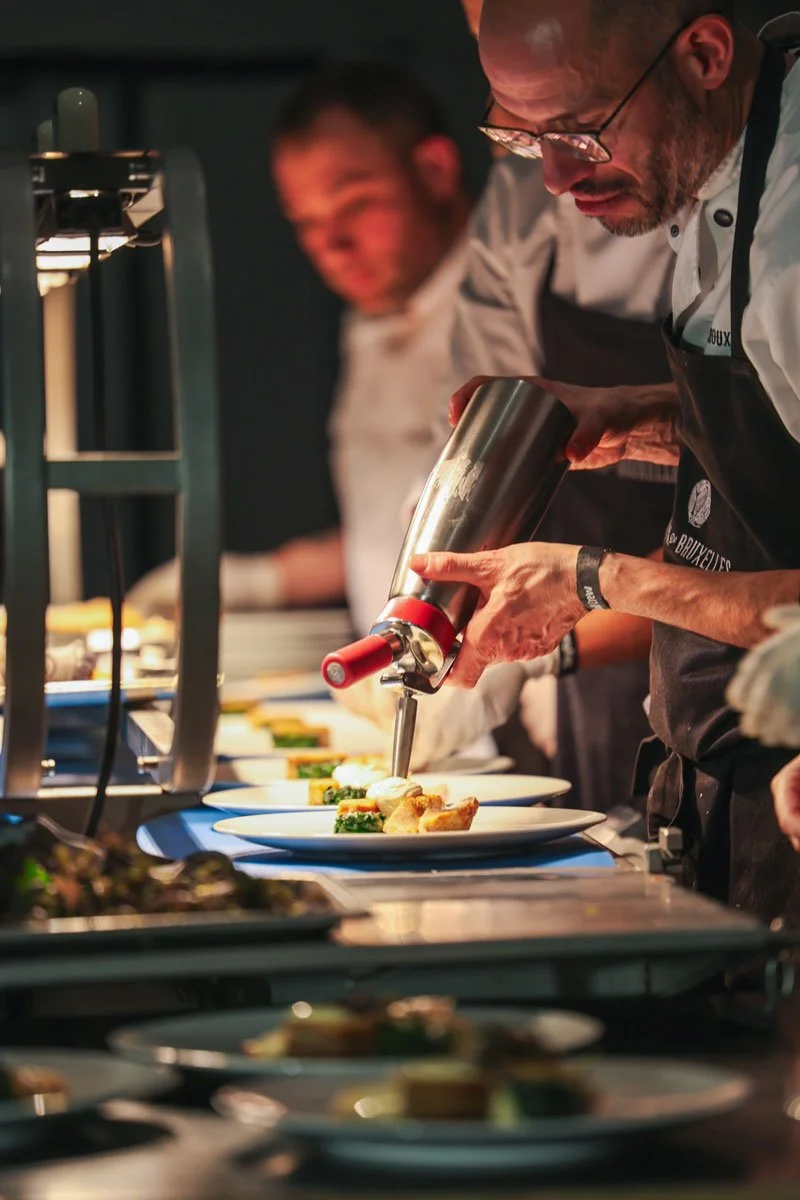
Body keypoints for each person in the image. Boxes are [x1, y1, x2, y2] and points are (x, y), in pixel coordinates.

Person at [408, 1, 800, 926]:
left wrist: (593, 579)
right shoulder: (723, 161)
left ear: (702, 55)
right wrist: (636, 417)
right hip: (723, 778)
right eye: (520, 135)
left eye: (580, 131)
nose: (551, 176)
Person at [128, 62, 471, 641]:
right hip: (395, 670)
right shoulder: (368, 318)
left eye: (355, 205)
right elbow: (387, 524)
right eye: (306, 223)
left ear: (434, 170)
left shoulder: (507, 308)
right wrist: (262, 579)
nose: (331, 246)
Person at [447, 0, 678, 810]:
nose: (555, 172)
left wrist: (575, 614)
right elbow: (474, 440)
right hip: (610, 626)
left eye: (574, 132)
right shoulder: (524, 196)